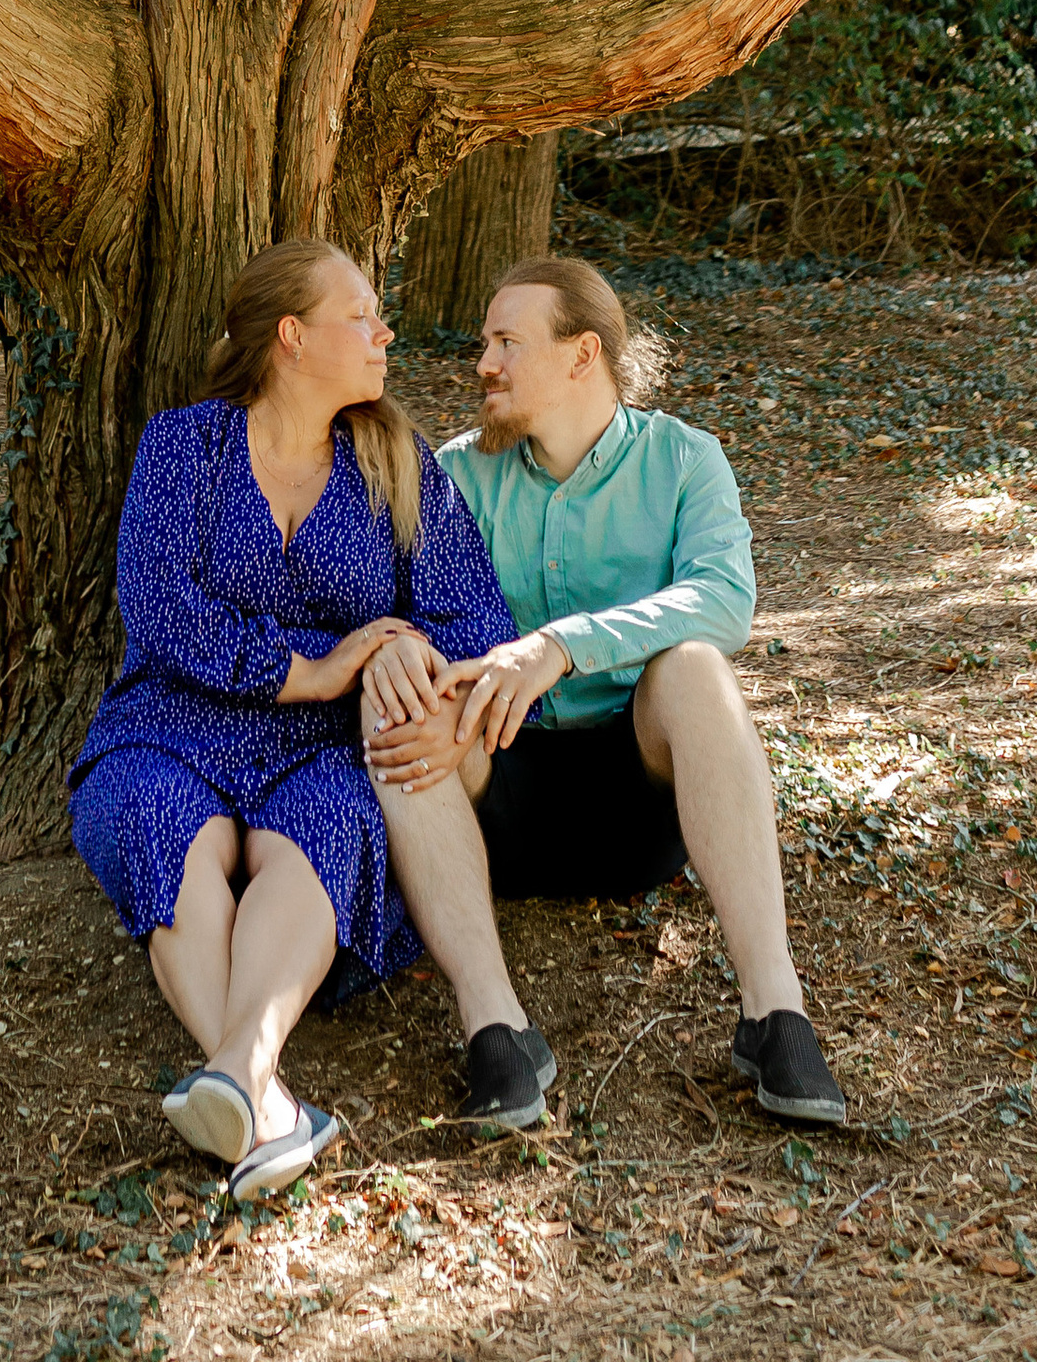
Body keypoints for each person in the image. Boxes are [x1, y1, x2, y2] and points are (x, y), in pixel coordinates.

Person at [68, 238, 553, 1199]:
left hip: (326, 749)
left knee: (328, 827)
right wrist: (314, 668)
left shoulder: (395, 460)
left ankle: (239, 1086)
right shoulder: (183, 445)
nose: (385, 332)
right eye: (361, 315)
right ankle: (264, 1093)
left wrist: (407, 645)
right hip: (176, 720)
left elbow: (477, 617)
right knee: (165, 823)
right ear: (291, 337)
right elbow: (161, 611)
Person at [361, 253, 848, 1130]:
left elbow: (724, 601)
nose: (484, 364)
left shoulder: (685, 461)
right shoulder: (457, 476)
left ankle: (775, 1010)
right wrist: (395, 649)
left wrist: (560, 646)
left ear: (583, 354)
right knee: (394, 698)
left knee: (695, 666)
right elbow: (392, 605)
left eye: (508, 341)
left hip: (642, 803)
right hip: (492, 799)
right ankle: (494, 1028)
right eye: (485, 343)